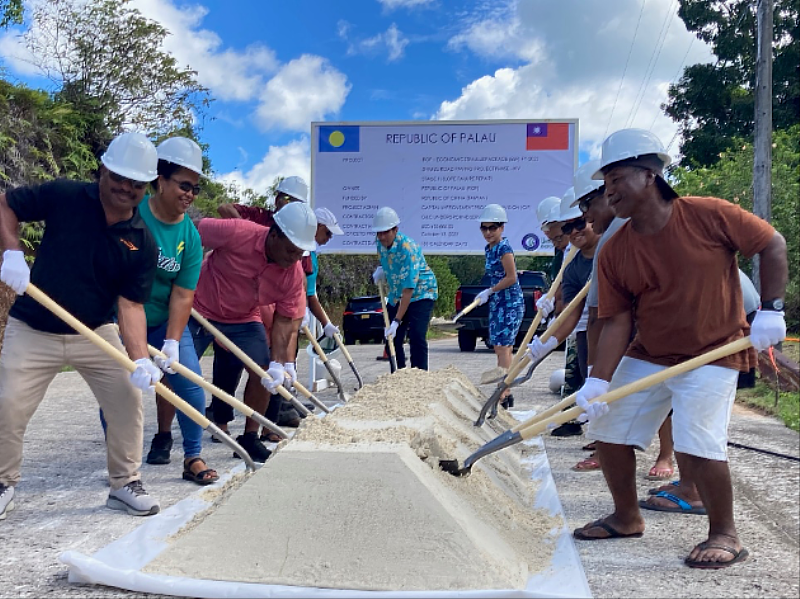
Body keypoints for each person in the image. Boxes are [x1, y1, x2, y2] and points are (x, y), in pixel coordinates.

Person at [572, 128, 787, 571]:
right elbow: (616, 320)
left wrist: (772, 310)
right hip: (651, 351)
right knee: (608, 428)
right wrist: (597, 380)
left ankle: (725, 532)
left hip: (714, 350)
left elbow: (771, 244)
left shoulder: (707, 215)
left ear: (650, 174)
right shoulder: (614, 251)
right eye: (605, 185)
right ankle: (626, 517)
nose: (609, 193)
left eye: (616, 180)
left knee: (697, 442)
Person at [0, 132, 164, 520]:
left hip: (95, 331)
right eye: (118, 177)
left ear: (146, 187)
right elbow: (5, 205)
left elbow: (131, 305)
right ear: (103, 170)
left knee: (129, 398)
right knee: (7, 403)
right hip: (33, 327)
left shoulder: (141, 241)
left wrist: (139, 360)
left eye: (136, 183)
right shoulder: (66, 195)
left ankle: (125, 484)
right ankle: (3, 482)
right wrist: (11, 251)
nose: (125, 188)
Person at [190, 201, 317, 462]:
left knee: (262, 371)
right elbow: (188, 232)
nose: (293, 259)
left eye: (299, 254)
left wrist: (280, 363)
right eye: (290, 251)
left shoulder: (292, 274)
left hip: (243, 318)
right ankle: (165, 436)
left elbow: (284, 322)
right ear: (274, 234)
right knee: (177, 369)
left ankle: (249, 437)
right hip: (199, 307)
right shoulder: (237, 232)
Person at [135, 137, 217, 484]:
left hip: (163, 322)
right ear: (160, 180)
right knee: (121, 390)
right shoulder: (131, 214)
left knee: (191, 386)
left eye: (195, 188)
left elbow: (183, 294)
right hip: (119, 317)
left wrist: (171, 342)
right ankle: (122, 466)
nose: (190, 195)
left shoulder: (190, 236)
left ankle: (193, 457)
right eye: (184, 185)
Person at [216, 175, 311, 428]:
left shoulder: (301, 229)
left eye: (294, 201)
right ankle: (221, 420)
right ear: (278, 198)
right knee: (229, 361)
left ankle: (270, 419)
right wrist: (244, 234)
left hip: (277, 302)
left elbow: (301, 279)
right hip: (241, 299)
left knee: (273, 363)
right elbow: (224, 209)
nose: (287, 204)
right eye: (285, 198)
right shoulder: (260, 217)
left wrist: (297, 313)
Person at [527, 187, 601, 439]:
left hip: (620, 327)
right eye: (564, 232)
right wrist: (547, 339)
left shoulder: (609, 245)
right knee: (583, 376)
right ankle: (596, 436)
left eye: (577, 225)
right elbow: (567, 297)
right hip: (585, 326)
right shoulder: (571, 259)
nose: (570, 235)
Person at [371, 207, 438, 370]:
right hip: (396, 294)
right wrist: (381, 270)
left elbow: (408, 290)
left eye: (385, 232)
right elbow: (389, 265)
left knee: (416, 336)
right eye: (379, 233)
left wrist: (397, 321)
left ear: (395, 230)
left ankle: (419, 377)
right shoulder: (380, 244)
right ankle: (398, 373)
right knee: (390, 337)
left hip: (421, 293)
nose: (381, 237)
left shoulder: (408, 249)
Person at [475, 204, 524, 408]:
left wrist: (490, 290)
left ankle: (503, 392)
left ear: (501, 228)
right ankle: (506, 390)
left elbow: (511, 277)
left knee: (504, 347)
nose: (488, 232)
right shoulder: (489, 249)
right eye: (484, 228)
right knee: (499, 347)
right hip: (497, 301)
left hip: (509, 302)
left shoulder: (504, 248)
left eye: (492, 227)